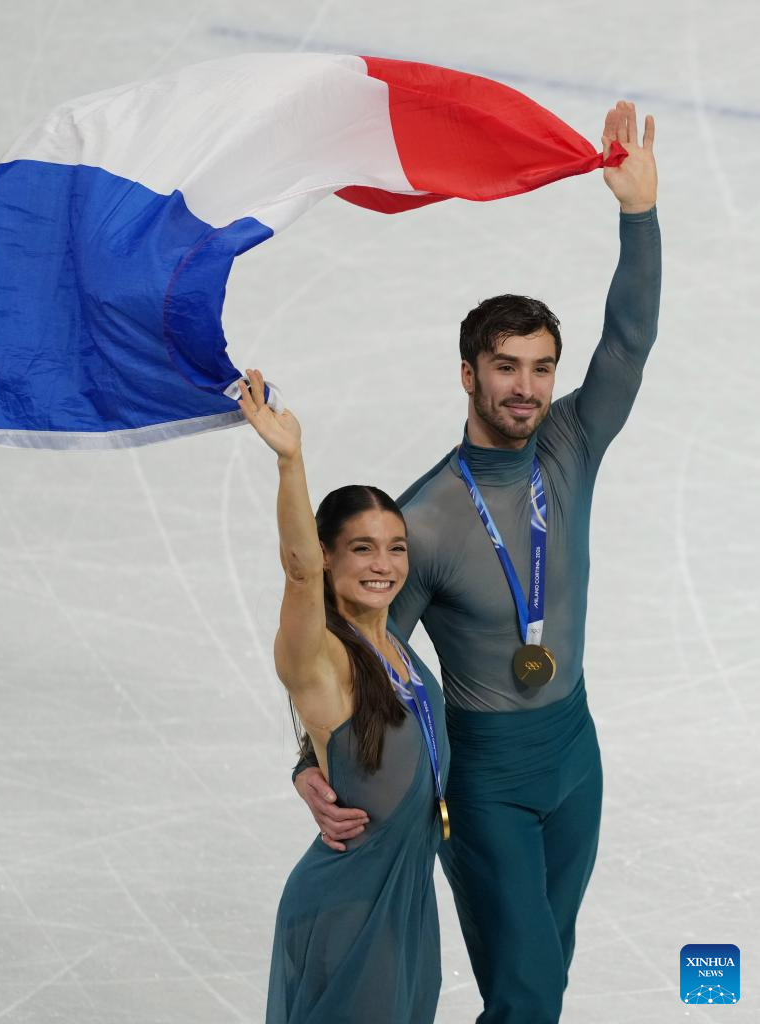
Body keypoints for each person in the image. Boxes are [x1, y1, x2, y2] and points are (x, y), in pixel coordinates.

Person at [293, 100, 660, 1023]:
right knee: (528, 992)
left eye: (540, 368)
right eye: (505, 367)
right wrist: (307, 754)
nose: (526, 388)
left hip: (576, 754)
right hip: (486, 775)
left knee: (541, 982)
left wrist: (638, 214)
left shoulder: (570, 444)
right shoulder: (424, 517)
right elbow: (360, 644)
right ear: (468, 373)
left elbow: (627, 344)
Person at [236, 368, 451, 1024]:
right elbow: (297, 572)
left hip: (407, 902)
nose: (382, 564)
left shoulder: (400, 652)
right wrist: (290, 461)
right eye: (360, 548)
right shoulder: (321, 659)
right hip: (349, 907)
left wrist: (305, 767)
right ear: (329, 557)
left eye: (394, 548)